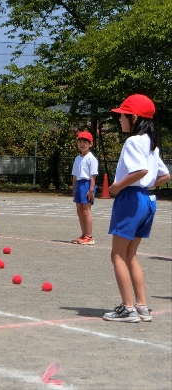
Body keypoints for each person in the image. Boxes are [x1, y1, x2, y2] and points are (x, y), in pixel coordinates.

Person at [103, 94, 170, 323]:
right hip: (147, 199)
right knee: (131, 255)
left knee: (117, 255)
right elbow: (165, 175)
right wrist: (149, 184)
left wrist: (116, 187)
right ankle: (141, 306)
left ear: (133, 117)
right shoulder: (152, 144)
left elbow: (139, 171)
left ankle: (128, 308)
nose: (119, 119)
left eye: (121, 115)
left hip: (131, 198)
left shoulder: (133, 141)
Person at [71, 131, 98, 245]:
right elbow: (75, 174)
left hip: (87, 184)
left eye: (85, 142)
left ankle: (89, 236)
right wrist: (74, 188)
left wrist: (91, 189)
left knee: (86, 211)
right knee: (79, 211)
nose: (82, 144)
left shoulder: (91, 158)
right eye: (80, 141)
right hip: (79, 184)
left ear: (90, 144)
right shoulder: (78, 158)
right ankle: (84, 235)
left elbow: (93, 175)